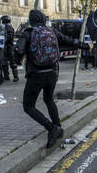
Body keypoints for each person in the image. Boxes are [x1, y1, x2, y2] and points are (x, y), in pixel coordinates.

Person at [15, 9, 86, 148]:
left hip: (36, 74)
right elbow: (69, 40)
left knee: (29, 106)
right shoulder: (51, 31)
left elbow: (19, 50)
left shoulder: (28, 33)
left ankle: (51, 128)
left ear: (31, 20)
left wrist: (16, 60)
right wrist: (83, 45)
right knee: (48, 99)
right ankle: (58, 126)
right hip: (52, 72)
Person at [1, 15, 19, 82]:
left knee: (12, 62)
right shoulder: (5, 27)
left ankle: (14, 76)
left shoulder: (8, 27)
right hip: (6, 46)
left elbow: (9, 38)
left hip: (9, 46)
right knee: (5, 62)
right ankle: (7, 76)